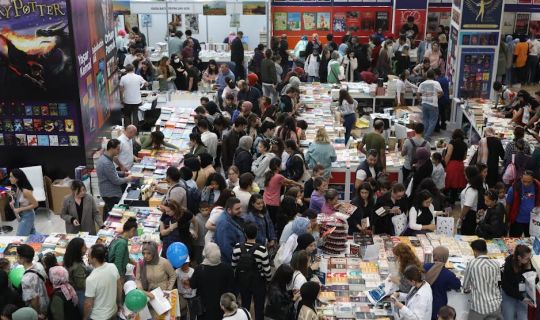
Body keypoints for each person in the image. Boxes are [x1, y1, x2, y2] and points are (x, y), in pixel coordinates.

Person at [231, 223, 272, 320]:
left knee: (245, 306)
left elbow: (233, 265)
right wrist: (269, 280)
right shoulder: (262, 249)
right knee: (259, 308)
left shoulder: (237, 247)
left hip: (243, 280)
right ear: (256, 234)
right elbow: (267, 269)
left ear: (245, 234)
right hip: (258, 282)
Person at [190, 243, 235, 320]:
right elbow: (231, 287)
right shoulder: (227, 269)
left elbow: (193, 285)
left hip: (204, 309)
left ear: (206, 254)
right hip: (222, 307)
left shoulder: (200, 269)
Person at [463, 239, 502, 319]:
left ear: (475, 251)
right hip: (495, 306)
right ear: (486, 250)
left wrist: (468, 289)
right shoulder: (496, 264)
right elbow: (498, 283)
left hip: (479, 307)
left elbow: (465, 286)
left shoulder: (472, 263)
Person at [95, 139, 133, 220]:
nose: (119, 152)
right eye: (117, 149)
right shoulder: (106, 163)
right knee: (115, 216)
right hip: (111, 194)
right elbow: (116, 181)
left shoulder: (105, 158)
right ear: (111, 148)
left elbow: (112, 173)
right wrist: (128, 178)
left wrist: (123, 173)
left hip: (108, 192)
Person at [84, 244, 121, 320]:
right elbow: (119, 287)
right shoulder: (112, 267)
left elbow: (88, 303)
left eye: (89, 255)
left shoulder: (91, 279)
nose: (87, 257)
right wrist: (119, 303)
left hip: (98, 317)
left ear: (94, 259)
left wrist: (84, 318)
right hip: (113, 312)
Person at [424, 246, 461, 319]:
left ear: (434, 255)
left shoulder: (425, 266)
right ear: (446, 258)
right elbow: (457, 285)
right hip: (438, 307)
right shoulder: (448, 274)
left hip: (424, 302)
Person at [501, 244, 537, 320]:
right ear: (519, 257)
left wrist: (529, 271)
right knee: (508, 316)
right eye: (527, 258)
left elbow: (535, 279)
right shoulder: (509, 264)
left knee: (523, 317)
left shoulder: (527, 262)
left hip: (522, 293)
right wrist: (522, 298)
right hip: (509, 293)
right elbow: (507, 287)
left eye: (530, 257)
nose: (529, 259)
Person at [135, 242, 176, 307]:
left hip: (164, 293)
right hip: (149, 294)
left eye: (149, 253)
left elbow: (173, 275)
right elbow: (137, 279)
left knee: (164, 315)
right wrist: (142, 291)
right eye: (143, 253)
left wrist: (168, 290)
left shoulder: (164, 262)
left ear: (154, 253)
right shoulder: (141, 264)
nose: (145, 256)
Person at [16, 245, 48, 316]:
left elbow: (34, 299)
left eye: (17, 256)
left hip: (37, 309)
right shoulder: (38, 265)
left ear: (22, 259)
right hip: (44, 300)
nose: (16, 258)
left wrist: (37, 314)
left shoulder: (26, 279)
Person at [506, 170, 540, 237]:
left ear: (533, 179)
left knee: (531, 243)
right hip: (516, 221)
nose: (526, 184)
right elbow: (508, 205)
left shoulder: (537, 187)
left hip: (532, 221)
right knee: (513, 242)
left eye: (529, 182)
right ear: (521, 178)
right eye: (524, 181)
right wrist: (507, 219)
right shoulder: (514, 188)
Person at [215, 198, 246, 264]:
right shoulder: (224, 224)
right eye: (237, 209)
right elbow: (226, 248)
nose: (240, 210)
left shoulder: (233, 217)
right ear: (229, 210)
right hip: (229, 262)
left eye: (240, 207)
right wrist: (237, 262)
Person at [8, 169, 38, 236]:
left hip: (28, 216)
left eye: (11, 177)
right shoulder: (18, 187)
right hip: (22, 215)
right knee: (32, 236)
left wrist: (20, 209)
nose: (9, 179)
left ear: (17, 178)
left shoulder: (26, 191)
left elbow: (35, 204)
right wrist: (14, 199)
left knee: (19, 238)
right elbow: (21, 200)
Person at [63, 238, 88, 312]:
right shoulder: (78, 267)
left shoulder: (69, 258)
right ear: (78, 250)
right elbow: (81, 285)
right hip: (79, 292)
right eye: (84, 247)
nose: (86, 248)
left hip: (71, 287)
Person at [417, 70, 443, 140]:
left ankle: (424, 135)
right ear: (434, 76)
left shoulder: (422, 84)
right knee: (433, 121)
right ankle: (426, 136)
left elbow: (418, 93)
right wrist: (436, 97)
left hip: (424, 103)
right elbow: (441, 92)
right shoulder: (436, 83)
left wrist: (420, 100)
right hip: (433, 104)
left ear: (426, 76)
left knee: (425, 120)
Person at [444, 129, 467, 204]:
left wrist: (444, 164)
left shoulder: (452, 142)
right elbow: (464, 157)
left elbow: (448, 154)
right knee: (456, 185)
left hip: (452, 165)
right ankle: (452, 202)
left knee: (448, 183)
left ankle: (445, 201)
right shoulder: (464, 144)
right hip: (460, 166)